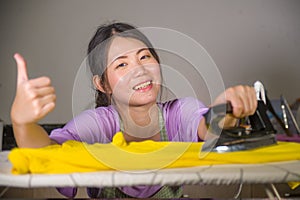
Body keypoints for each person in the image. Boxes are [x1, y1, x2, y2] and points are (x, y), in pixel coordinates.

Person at [11, 22, 257, 198]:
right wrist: (22, 123)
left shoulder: (179, 112)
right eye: (122, 64)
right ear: (102, 84)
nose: (139, 70)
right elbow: (48, 154)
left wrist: (227, 109)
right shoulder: (98, 125)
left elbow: (207, 127)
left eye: (145, 57)